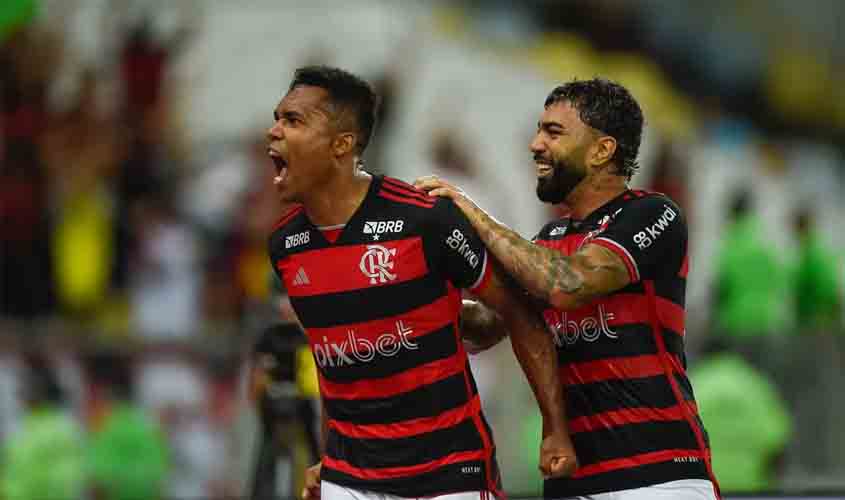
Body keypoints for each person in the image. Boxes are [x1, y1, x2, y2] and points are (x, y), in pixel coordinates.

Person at [265, 66, 576, 500]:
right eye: (277, 118)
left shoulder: (424, 218)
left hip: (447, 474)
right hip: (350, 476)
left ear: (341, 144)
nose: (273, 132)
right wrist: (327, 456)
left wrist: (555, 428)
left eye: (293, 121)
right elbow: (331, 360)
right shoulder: (285, 246)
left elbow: (517, 311)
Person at [415, 78, 720, 500]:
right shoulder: (550, 238)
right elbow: (488, 325)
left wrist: (472, 213)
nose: (535, 145)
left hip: (658, 474)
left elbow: (568, 284)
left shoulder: (653, 214)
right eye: (539, 130)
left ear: (602, 150)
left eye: (553, 132)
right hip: (572, 477)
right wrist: (407, 301)